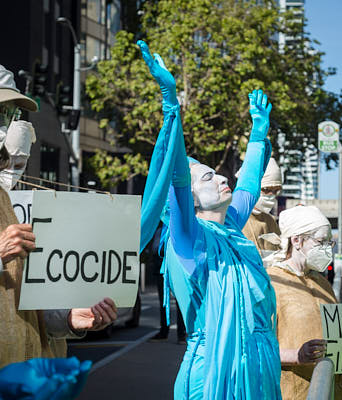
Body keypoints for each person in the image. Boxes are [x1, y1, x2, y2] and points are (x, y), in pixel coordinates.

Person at [138, 41, 281, 399]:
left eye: (217, 173)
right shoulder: (189, 239)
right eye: (207, 178)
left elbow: (249, 180)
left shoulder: (230, 227)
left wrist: (258, 136)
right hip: (212, 374)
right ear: (190, 200)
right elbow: (176, 177)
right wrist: (171, 102)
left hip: (258, 368)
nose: (221, 178)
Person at [0, 65, 117, 368]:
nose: (5, 126)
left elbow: (21, 300)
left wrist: (67, 319)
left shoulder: (2, 200)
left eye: (9, 116)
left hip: (22, 378)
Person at [265, 205, 342, 399]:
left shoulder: (322, 282)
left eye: (330, 243)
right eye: (321, 242)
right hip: (299, 392)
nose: (327, 249)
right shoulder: (270, 284)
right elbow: (254, 347)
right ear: (296, 240)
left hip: (340, 392)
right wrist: (297, 355)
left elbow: (338, 338)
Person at [147, 222, 186, 344]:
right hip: (160, 263)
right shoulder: (157, 228)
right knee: (163, 300)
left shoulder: (177, 225)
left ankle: (181, 334)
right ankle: (164, 331)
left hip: (176, 263)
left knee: (180, 300)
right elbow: (153, 246)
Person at [239, 157, 282, 259]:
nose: (271, 195)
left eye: (276, 191)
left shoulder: (270, 221)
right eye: (266, 189)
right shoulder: (233, 217)